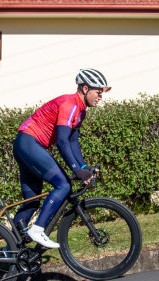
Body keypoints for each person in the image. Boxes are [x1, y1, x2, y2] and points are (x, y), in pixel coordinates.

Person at [12, 68, 110, 248]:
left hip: (25, 145)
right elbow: (62, 142)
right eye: (98, 92)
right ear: (86, 89)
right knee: (63, 185)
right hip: (29, 143)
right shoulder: (69, 104)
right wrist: (76, 170)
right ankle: (37, 229)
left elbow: (73, 142)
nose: (101, 97)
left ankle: (11, 251)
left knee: (31, 202)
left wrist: (84, 167)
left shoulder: (81, 111)